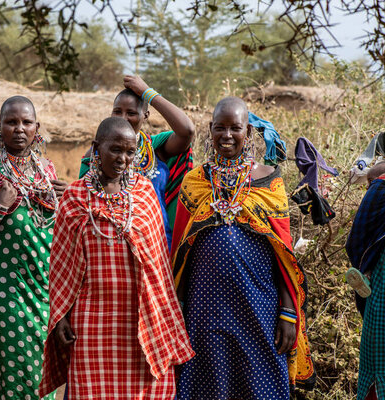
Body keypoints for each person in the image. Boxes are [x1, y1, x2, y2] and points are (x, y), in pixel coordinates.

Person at [39, 117, 194, 399]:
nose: (123, 158)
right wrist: (60, 316)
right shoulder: (75, 197)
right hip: (92, 322)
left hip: (142, 320)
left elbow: (158, 263)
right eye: (115, 150)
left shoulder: (145, 193)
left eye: (130, 152)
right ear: (97, 148)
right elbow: (59, 263)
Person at [171, 97, 315, 399]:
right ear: (210, 131)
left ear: (248, 133)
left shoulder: (270, 182)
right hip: (204, 313)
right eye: (219, 128)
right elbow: (180, 256)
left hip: (258, 308)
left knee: (260, 386)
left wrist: (288, 313)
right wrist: (177, 315)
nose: (227, 135)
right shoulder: (194, 182)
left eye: (235, 128)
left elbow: (284, 255)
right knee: (206, 386)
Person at [0, 96, 67, 400]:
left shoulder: (48, 172)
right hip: (2, 297)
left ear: (37, 128)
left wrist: (64, 199)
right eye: (11, 122)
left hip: (42, 295)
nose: (19, 128)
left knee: (40, 382)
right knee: (10, 380)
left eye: (26, 122)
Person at [79, 75, 195, 245]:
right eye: (117, 111)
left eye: (131, 113)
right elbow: (84, 199)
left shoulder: (155, 147)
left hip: (155, 241)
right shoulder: (97, 152)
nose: (123, 117)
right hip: (109, 243)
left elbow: (187, 131)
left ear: (145, 115)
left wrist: (147, 92)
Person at [346, 161, 385, 400]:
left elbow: (356, 241)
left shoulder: (379, 188)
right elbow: (357, 242)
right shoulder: (380, 188)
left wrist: (364, 265)